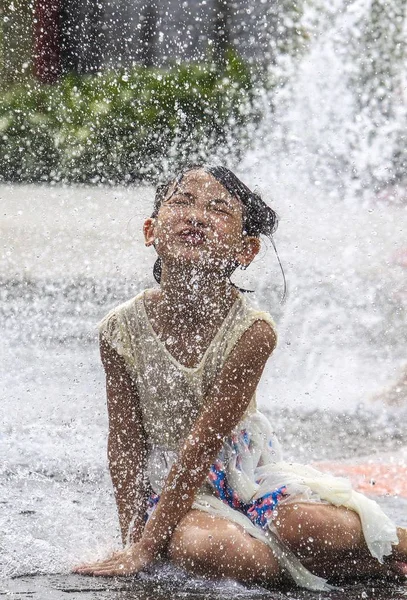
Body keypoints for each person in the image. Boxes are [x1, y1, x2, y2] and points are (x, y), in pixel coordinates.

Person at [74, 165, 407, 589]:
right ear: (149, 230)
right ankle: (333, 569)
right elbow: (124, 442)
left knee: (306, 524)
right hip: (177, 489)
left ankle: (393, 547)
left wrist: (144, 549)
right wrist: (134, 541)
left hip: (246, 474)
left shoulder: (251, 331)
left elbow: (204, 443)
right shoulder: (121, 329)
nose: (196, 215)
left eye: (218, 209)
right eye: (180, 202)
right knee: (205, 548)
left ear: (247, 250)